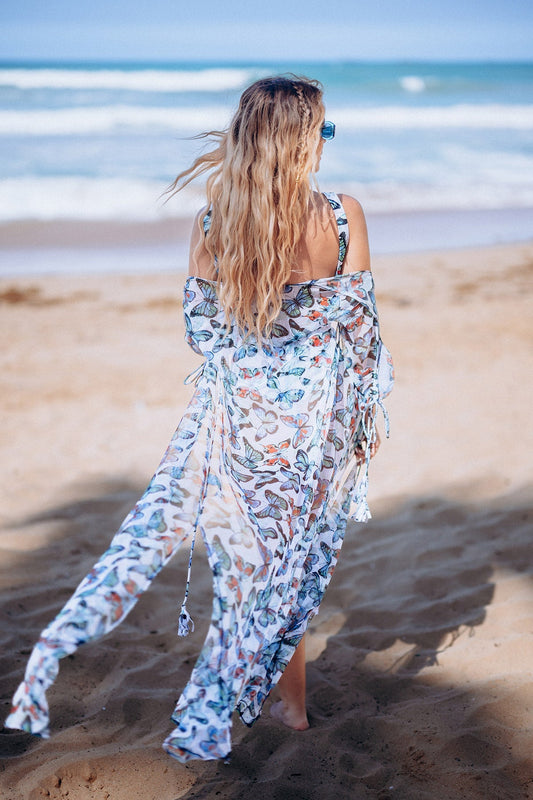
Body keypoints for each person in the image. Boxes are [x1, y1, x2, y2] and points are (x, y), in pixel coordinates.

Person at [5, 76, 393, 763]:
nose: (325, 144)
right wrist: (365, 421)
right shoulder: (342, 215)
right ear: (302, 141)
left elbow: (202, 331)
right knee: (291, 564)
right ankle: (291, 707)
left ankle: (270, 700)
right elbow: (360, 333)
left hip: (240, 421)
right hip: (316, 427)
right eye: (322, 132)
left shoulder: (216, 220)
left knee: (249, 566)